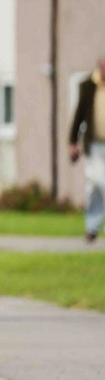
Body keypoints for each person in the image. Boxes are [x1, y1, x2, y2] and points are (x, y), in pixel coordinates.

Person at [68, 55, 105, 244]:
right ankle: (92, 226)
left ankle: (93, 226)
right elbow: (79, 115)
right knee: (96, 184)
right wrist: (73, 141)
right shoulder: (89, 86)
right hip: (96, 145)